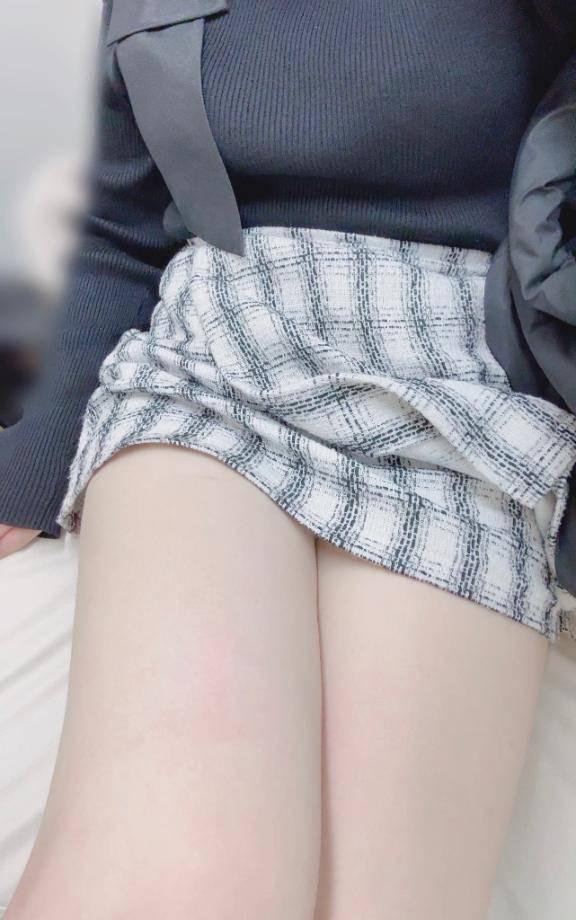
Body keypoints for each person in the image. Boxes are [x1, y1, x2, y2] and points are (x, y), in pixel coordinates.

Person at [2, 3, 576, 919]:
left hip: (469, 393)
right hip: (221, 345)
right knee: (183, 882)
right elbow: (120, 217)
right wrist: (22, 473)